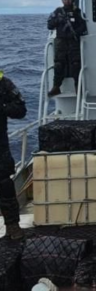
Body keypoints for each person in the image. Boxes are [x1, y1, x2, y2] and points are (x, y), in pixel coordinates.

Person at [0, 71, 27, 239]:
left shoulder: (3, 84)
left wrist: (2, 107)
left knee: (4, 185)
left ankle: (12, 225)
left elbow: (20, 110)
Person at [47, 0, 87, 97]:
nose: (66, 1)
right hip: (61, 42)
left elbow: (84, 26)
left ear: (72, 0)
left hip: (73, 42)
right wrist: (58, 20)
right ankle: (56, 87)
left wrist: (76, 32)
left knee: (76, 64)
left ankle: (78, 87)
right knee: (59, 64)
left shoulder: (77, 12)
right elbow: (50, 25)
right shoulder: (58, 11)